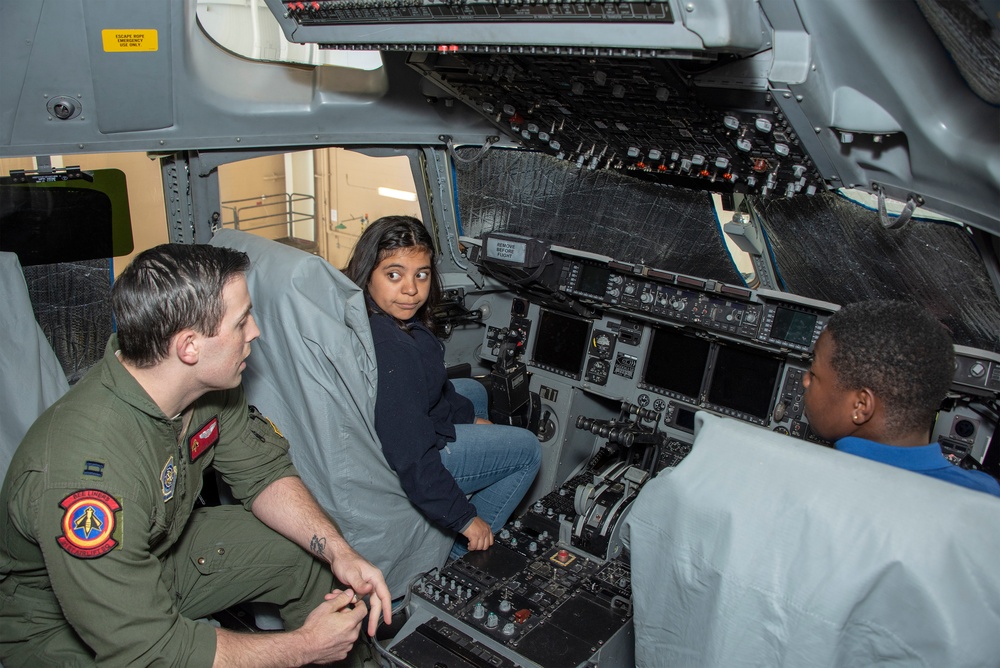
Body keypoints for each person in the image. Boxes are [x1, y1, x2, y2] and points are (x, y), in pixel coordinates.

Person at [0, 243, 392, 667]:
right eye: (242, 321)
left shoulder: (208, 386)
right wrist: (303, 647)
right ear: (189, 347)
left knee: (306, 551)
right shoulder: (88, 476)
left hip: (161, 554)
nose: (255, 331)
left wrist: (338, 550)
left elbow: (264, 473)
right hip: (57, 622)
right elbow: (150, 651)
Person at [344, 216, 541, 559]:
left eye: (421, 274)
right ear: (367, 274)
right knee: (527, 450)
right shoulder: (393, 351)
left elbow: (433, 388)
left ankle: (471, 428)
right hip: (403, 459)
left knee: (472, 391)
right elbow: (412, 458)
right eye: (394, 274)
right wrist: (465, 520)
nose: (411, 289)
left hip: (392, 426)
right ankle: (462, 556)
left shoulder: (376, 318)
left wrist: (468, 417)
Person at [802, 299, 1000, 497]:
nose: (805, 381)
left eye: (813, 373)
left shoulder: (807, 482)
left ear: (861, 406)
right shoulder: (987, 494)